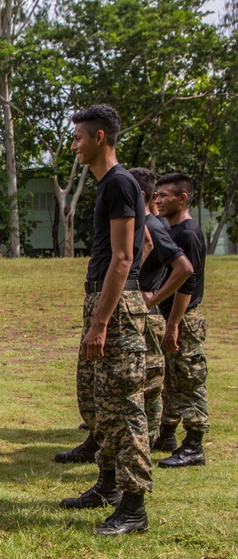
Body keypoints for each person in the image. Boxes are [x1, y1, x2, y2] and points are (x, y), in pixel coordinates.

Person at [55, 168, 192, 464]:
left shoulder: (151, 221)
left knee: (137, 390)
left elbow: (184, 269)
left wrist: (145, 293)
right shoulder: (140, 219)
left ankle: (153, 443)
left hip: (132, 311)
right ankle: (103, 448)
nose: (75, 145)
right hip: (124, 302)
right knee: (107, 391)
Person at [59, 104, 150, 536]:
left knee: (124, 407)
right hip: (108, 301)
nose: (74, 145)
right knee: (104, 405)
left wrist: (102, 321)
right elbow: (141, 245)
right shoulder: (112, 185)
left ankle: (133, 508)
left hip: (113, 310)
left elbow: (125, 255)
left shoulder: (118, 183)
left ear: (99, 138)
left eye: (78, 138)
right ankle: (108, 487)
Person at [153, 173, 208, 468]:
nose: (158, 200)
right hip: (171, 316)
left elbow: (187, 283)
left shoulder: (188, 233)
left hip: (184, 317)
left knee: (189, 380)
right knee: (171, 379)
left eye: (164, 196)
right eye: (157, 195)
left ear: (182, 198)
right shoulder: (170, 230)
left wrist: (173, 324)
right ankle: (167, 434)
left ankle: (195, 446)